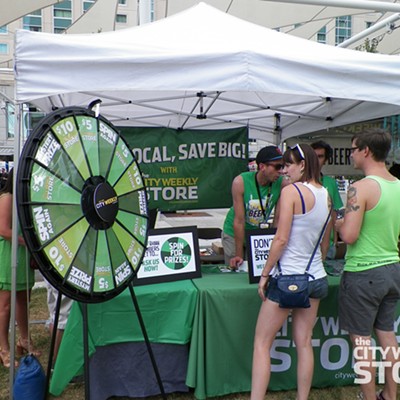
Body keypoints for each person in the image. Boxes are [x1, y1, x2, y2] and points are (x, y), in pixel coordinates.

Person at [251, 143, 331, 400]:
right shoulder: (326, 194)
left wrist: (264, 274)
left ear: (303, 165)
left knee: (262, 343)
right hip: (316, 276)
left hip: (288, 278)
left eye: (288, 165)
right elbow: (324, 242)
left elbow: (280, 239)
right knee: (304, 342)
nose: (284, 170)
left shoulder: (292, 192)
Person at [335, 129, 400, 400]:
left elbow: (349, 235)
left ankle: (369, 397)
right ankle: (391, 393)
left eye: (353, 149)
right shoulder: (398, 184)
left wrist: (339, 223)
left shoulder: (358, 188)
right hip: (393, 269)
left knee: (361, 340)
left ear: (366, 151)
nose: (350, 154)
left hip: (363, 271)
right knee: (387, 335)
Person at [0, 169, 40, 368]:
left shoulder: (27, 199)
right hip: (10, 253)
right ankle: (3, 348)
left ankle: (24, 339)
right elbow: (4, 230)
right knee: (5, 304)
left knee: (24, 299)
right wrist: (28, 242)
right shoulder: (7, 198)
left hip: (24, 253)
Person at [221, 146, 286, 268]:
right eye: (277, 167)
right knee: (236, 270)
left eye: (282, 166)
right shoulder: (240, 182)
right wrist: (239, 255)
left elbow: (278, 220)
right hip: (234, 233)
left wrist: (273, 246)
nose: (281, 171)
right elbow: (239, 221)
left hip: (257, 236)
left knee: (256, 272)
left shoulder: (282, 184)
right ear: (262, 167)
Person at [311, 140, 344, 259]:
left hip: (328, 243)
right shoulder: (300, 183)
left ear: (325, 160)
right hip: (306, 244)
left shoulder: (331, 183)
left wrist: (335, 240)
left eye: (320, 156)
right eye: (313, 156)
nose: (315, 160)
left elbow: (334, 212)